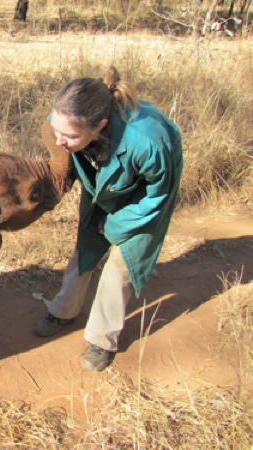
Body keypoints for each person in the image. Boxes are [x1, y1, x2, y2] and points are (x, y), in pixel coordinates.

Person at [35, 66, 183, 371]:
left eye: (70, 135)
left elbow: (156, 196)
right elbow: (53, 133)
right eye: (58, 129)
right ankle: (63, 311)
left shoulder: (149, 142)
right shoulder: (68, 122)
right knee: (87, 244)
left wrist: (116, 225)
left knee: (122, 263)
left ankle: (103, 338)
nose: (60, 139)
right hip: (106, 179)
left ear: (100, 125)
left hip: (147, 194)